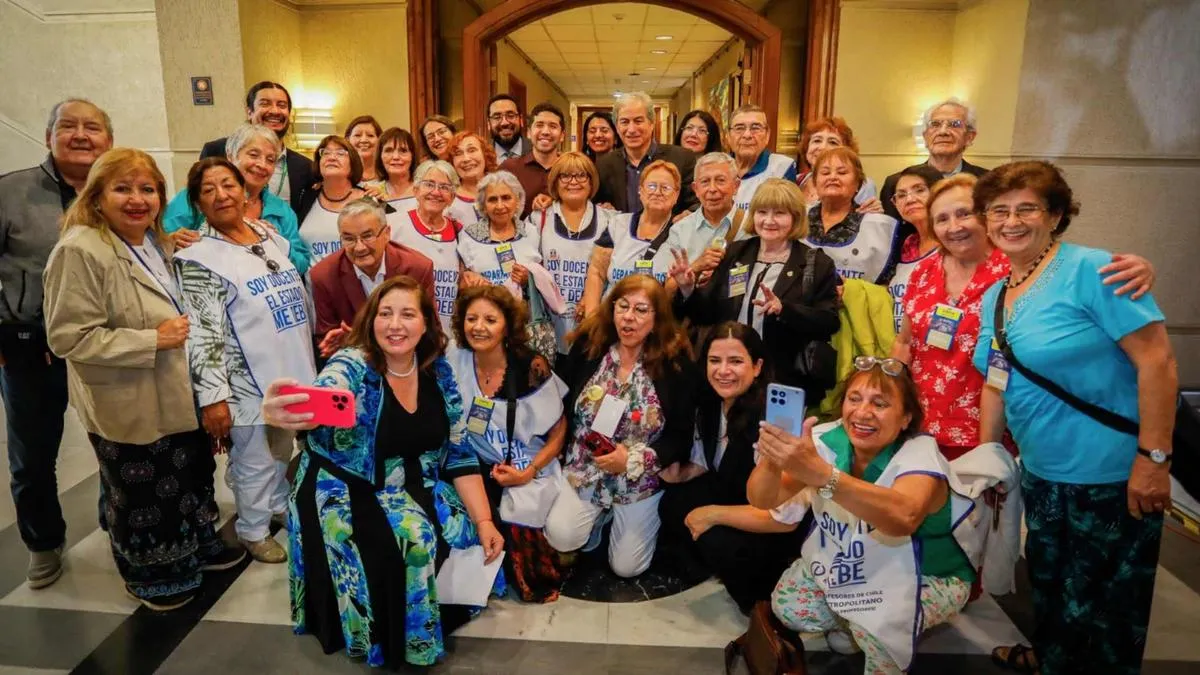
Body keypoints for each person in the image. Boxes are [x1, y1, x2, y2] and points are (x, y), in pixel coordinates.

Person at [973, 161, 1176, 675]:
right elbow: (997, 380)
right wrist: (989, 459)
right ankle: (1052, 657)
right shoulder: (996, 295)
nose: (1011, 221)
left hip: (1110, 472)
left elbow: (1158, 361)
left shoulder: (1095, 270)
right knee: (1050, 581)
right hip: (1042, 469)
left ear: (1056, 215)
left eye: (1027, 208)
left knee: (1108, 606)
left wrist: (1154, 460)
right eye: (998, 210)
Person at [261, 276, 505, 669]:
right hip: (347, 484)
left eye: (408, 314)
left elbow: (459, 451)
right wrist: (290, 413)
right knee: (416, 540)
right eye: (385, 313)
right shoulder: (353, 364)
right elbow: (325, 395)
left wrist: (484, 519)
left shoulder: (437, 372)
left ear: (426, 323)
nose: (395, 325)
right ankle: (402, 644)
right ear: (370, 321)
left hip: (415, 478)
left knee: (470, 528)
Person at [41, 148, 244, 610]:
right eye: (123, 188)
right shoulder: (80, 249)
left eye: (147, 189)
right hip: (127, 396)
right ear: (97, 196)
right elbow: (68, 338)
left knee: (187, 475)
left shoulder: (151, 240)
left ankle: (194, 549)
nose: (137, 199)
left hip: (173, 389)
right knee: (143, 489)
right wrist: (152, 339)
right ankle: (150, 571)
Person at [893, 174, 1156, 462]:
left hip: (1004, 431)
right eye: (941, 219)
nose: (953, 227)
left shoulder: (1019, 267)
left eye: (964, 213)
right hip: (924, 428)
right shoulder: (923, 273)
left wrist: (1139, 268)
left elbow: (1073, 274)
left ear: (986, 216)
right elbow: (905, 341)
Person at [751, 360, 976, 674]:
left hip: (928, 572)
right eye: (854, 399)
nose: (862, 412)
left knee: (877, 620)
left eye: (880, 403)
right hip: (852, 561)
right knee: (789, 605)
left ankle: (873, 640)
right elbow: (763, 499)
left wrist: (825, 476)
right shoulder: (827, 439)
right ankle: (850, 622)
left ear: (905, 418)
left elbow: (903, 517)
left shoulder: (920, 454)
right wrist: (773, 459)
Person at [174, 158, 316, 564]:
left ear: (244, 190)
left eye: (228, 185)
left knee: (281, 448)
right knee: (254, 456)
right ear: (197, 203)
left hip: (289, 366)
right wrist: (214, 398)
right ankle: (253, 530)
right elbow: (203, 335)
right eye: (208, 190)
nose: (221, 195)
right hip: (245, 380)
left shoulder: (264, 234)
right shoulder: (199, 257)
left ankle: (275, 505)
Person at [0, 98, 113, 589]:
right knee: (33, 453)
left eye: (93, 127)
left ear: (108, 139)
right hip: (31, 346)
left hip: (106, 345)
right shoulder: (12, 192)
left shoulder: (119, 190)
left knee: (116, 442)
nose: (81, 135)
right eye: (69, 126)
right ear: (49, 136)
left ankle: (119, 521)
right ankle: (43, 542)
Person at [545, 275, 695, 578]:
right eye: (622, 306)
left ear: (657, 317)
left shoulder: (674, 362)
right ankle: (597, 519)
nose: (629, 317)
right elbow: (562, 406)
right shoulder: (590, 345)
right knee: (561, 537)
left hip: (640, 476)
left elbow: (681, 435)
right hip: (585, 467)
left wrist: (634, 460)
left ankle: (628, 515)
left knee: (627, 568)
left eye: (641, 310)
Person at [657, 322, 799, 613]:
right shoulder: (712, 403)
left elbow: (784, 516)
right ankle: (710, 567)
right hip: (732, 491)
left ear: (757, 366)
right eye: (714, 361)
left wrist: (713, 515)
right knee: (673, 502)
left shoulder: (775, 417)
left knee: (714, 537)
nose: (723, 371)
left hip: (768, 519)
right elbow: (711, 461)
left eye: (735, 361)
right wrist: (677, 474)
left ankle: (758, 601)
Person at [449, 285, 569, 602]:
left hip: (526, 461)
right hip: (474, 463)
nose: (479, 327)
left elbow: (559, 431)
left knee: (523, 529)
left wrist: (528, 471)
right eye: (471, 318)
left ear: (507, 326)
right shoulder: (454, 360)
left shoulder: (531, 366)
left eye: (490, 319)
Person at [671, 178, 840, 402]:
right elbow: (707, 313)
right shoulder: (736, 253)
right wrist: (687, 288)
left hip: (782, 378)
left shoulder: (816, 263)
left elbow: (829, 321)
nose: (769, 221)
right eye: (762, 212)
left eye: (779, 213)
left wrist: (784, 310)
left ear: (795, 218)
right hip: (728, 374)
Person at [164, 123, 311, 275]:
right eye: (253, 155)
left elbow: (301, 264)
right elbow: (157, 245)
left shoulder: (282, 211)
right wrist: (171, 241)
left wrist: (277, 242)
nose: (262, 164)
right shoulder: (198, 197)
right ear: (231, 154)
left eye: (270, 160)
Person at [311, 198, 435, 358]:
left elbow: (430, 330)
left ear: (387, 234)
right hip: (356, 366)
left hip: (409, 359)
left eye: (367, 236)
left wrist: (360, 339)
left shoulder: (417, 268)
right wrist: (346, 346)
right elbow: (328, 341)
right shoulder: (324, 275)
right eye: (349, 239)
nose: (359, 247)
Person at [455, 171, 555, 360]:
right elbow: (461, 279)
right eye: (493, 199)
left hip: (524, 329)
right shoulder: (468, 236)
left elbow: (545, 277)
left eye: (506, 198)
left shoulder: (532, 232)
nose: (500, 205)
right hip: (483, 327)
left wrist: (529, 279)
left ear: (517, 200)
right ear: (483, 205)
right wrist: (468, 278)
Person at [533, 152, 615, 361]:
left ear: (591, 181)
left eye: (581, 176)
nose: (573, 182)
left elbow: (614, 272)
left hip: (593, 325)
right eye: (566, 176)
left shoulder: (611, 220)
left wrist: (592, 300)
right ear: (555, 181)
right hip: (549, 328)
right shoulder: (538, 218)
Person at [200, 81, 313, 214]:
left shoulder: (305, 166)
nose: (275, 111)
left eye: (282, 105)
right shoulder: (216, 151)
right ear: (249, 112)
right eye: (265, 104)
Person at [584, 160, 681, 315]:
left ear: (676, 195)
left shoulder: (682, 232)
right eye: (651, 186)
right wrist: (592, 319)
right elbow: (596, 271)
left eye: (665, 188)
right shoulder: (618, 224)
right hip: (610, 323)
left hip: (655, 327)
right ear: (640, 191)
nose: (657, 192)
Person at [880, 98, 987, 224]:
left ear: (969, 137)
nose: (943, 132)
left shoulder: (986, 182)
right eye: (935, 124)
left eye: (955, 124)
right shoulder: (896, 183)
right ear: (925, 136)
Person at [804, 147, 899, 284]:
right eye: (825, 173)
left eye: (842, 172)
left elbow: (888, 285)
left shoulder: (879, 227)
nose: (832, 177)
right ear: (815, 182)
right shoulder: (796, 219)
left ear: (858, 184)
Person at [390, 160, 465, 333]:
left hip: (445, 330)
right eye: (429, 184)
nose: (436, 192)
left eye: (445, 187)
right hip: (401, 327)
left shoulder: (459, 231)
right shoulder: (393, 225)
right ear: (415, 190)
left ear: (452, 198)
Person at [595, 92, 698, 215]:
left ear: (652, 123)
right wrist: (601, 209)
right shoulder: (603, 165)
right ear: (617, 127)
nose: (631, 129)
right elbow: (593, 204)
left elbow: (697, 203)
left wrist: (688, 214)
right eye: (624, 122)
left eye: (638, 121)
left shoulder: (682, 158)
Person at [884, 165, 944, 331]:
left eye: (919, 190)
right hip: (900, 346)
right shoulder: (904, 246)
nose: (910, 199)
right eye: (901, 195)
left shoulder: (954, 245)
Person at [665, 153, 744, 273]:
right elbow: (669, 288)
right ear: (695, 189)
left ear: (736, 186)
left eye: (720, 180)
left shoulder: (751, 225)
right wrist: (697, 266)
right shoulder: (680, 230)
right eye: (705, 182)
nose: (712, 189)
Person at [296, 135, 367, 266]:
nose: (332, 157)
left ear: (353, 163)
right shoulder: (305, 197)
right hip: (311, 285)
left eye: (341, 153)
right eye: (326, 152)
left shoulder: (369, 201)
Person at [499, 102, 565, 220]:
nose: (545, 132)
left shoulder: (571, 170)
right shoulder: (509, 169)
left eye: (553, 126)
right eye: (539, 125)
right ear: (529, 132)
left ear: (562, 136)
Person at [795, 116, 877, 209]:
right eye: (817, 140)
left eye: (833, 142)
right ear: (806, 147)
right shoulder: (795, 181)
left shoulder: (862, 185)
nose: (823, 147)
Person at [728, 104, 798, 212]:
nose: (747, 135)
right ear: (728, 136)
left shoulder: (782, 167)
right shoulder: (717, 167)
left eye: (755, 128)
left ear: (767, 135)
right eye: (739, 128)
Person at [446, 131, 497, 227]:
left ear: (485, 154)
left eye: (472, 150)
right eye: (458, 153)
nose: (466, 159)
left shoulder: (504, 190)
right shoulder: (448, 200)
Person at [364, 127, 418, 209]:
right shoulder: (371, 191)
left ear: (412, 156)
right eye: (388, 150)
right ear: (380, 156)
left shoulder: (425, 188)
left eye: (403, 151)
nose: (396, 157)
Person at [488, 93, 529, 162]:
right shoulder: (481, 154)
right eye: (497, 117)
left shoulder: (537, 150)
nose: (504, 123)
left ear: (521, 120)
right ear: (488, 123)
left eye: (510, 115)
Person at [345, 115, 382, 184]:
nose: (364, 140)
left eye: (370, 135)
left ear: (379, 140)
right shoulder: (341, 175)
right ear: (347, 140)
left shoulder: (388, 173)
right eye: (357, 135)